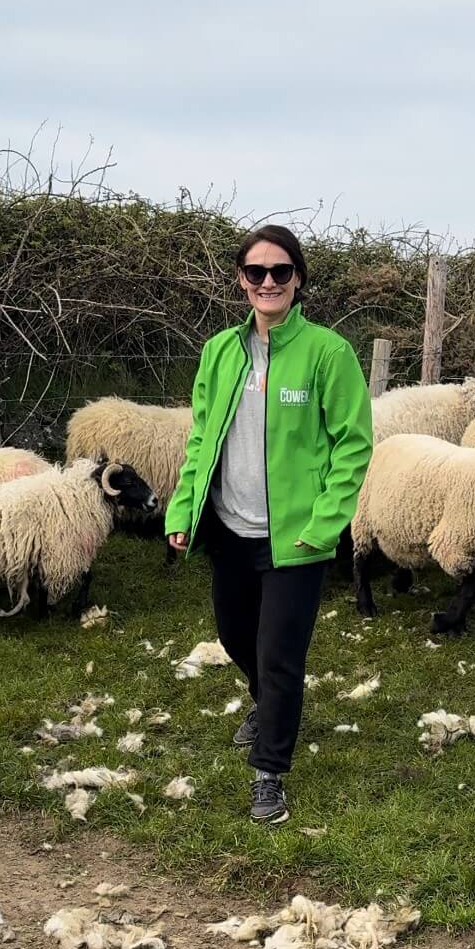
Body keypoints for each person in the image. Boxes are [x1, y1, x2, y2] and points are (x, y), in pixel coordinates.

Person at [164, 224, 373, 824]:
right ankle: (267, 705)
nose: (268, 282)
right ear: (241, 280)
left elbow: (353, 446)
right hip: (230, 529)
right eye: (256, 272)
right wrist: (185, 509)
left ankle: (269, 771)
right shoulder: (220, 352)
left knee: (280, 657)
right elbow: (202, 436)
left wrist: (324, 525)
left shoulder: (328, 354)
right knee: (235, 637)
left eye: (280, 271)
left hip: (295, 539)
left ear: (298, 279)